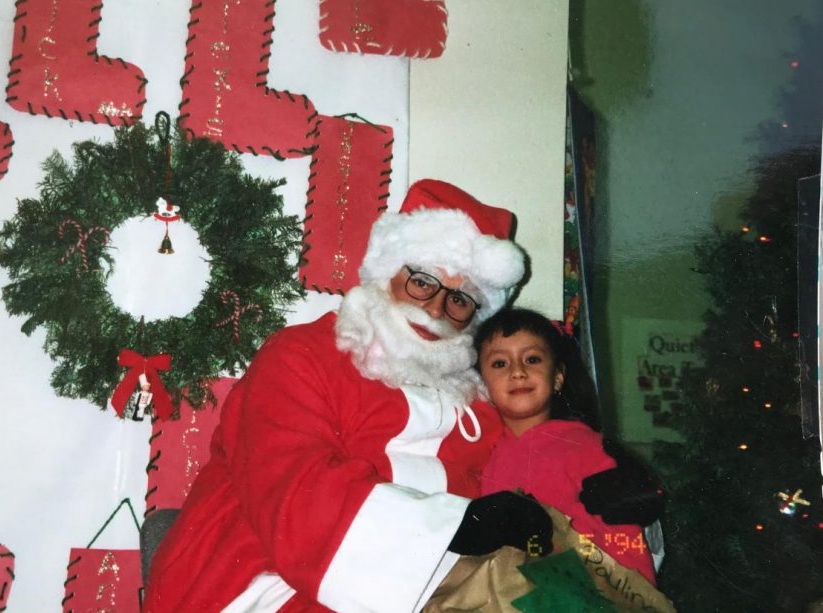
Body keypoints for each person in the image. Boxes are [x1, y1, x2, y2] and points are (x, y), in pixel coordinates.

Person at [143, 179, 662, 613]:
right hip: (264, 581)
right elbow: (298, 497)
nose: (437, 310)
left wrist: (611, 478)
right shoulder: (301, 356)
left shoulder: (481, 401)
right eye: (422, 283)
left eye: (460, 301)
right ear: (387, 271)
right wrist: (459, 527)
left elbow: (547, 461)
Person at [475, 307, 656, 584]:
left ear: (557, 377)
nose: (518, 372)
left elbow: (626, 539)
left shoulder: (586, 447)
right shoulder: (483, 452)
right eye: (500, 363)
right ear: (481, 383)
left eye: (532, 359)